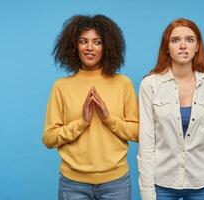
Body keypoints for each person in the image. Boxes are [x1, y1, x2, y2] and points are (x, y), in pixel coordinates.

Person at [42, 14, 139, 200]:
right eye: (83, 41)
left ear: (107, 46)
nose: (89, 47)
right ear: (74, 46)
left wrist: (108, 118)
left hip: (116, 182)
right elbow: (49, 138)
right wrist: (82, 122)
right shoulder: (61, 86)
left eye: (97, 42)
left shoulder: (122, 83)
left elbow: (138, 133)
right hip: (72, 184)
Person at [138, 18, 204, 200]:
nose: (183, 46)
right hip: (161, 183)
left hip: (201, 183)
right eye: (175, 40)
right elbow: (146, 144)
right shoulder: (150, 84)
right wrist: (147, 193)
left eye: (190, 40)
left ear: (197, 47)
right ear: (167, 48)